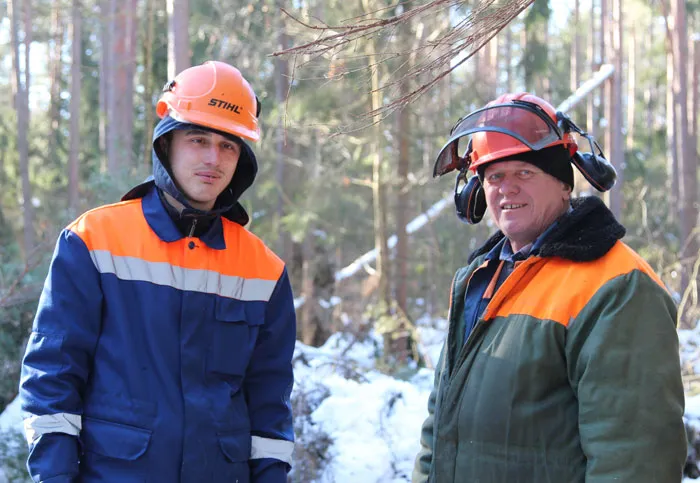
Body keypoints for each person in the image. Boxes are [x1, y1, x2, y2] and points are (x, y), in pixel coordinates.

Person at [19, 60, 296, 482]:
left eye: (228, 146)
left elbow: (269, 405)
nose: (212, 158)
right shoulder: (93, 241)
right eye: (198, 139)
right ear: (167, 144)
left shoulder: (264, 271)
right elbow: (52, 379)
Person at [412, 92, 686, 482]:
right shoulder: (478, 279)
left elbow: (635, 461)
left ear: (563, 184)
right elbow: (437, 429)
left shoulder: (616, 287)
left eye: (524, 172)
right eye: (494, 176)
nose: (507, 188)